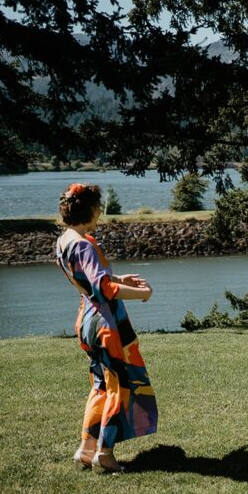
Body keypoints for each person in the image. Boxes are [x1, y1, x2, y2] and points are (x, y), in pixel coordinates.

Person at [55, 183, 157, 472]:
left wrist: (120, 277)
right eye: (98, 207)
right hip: (105, 324)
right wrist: (142, 294)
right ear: (89, 209)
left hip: (86, 319)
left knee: (100, 386)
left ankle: (86, 449)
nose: (100, 211)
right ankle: (105, 453)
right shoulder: (85, 244)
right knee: (119, 388)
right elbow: (102, 287)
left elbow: (89, 280)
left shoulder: (65, 240)